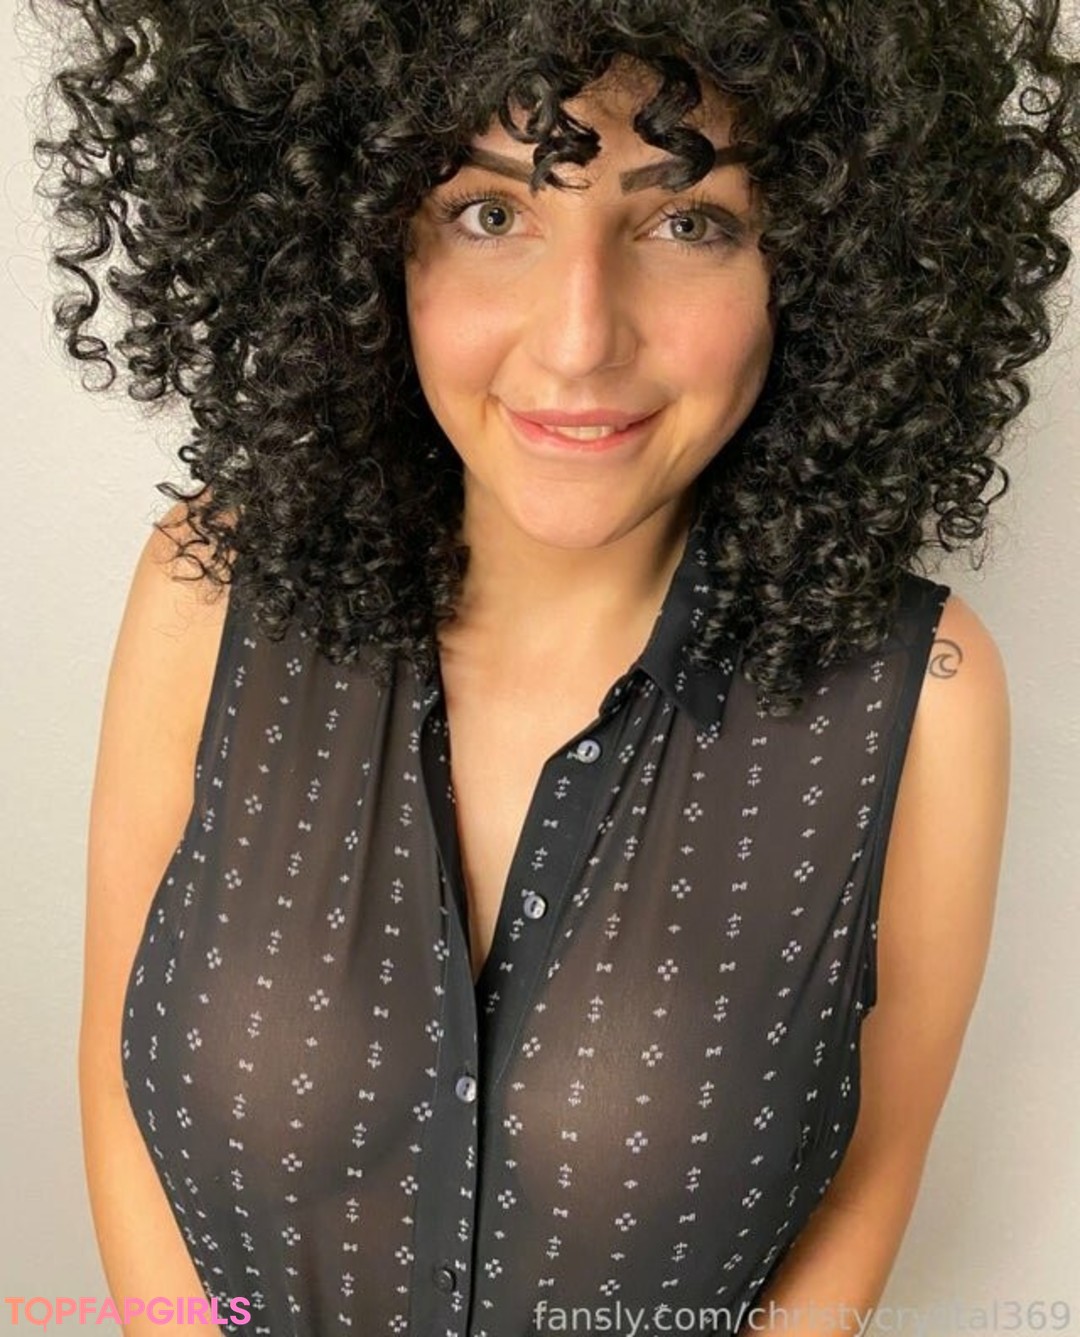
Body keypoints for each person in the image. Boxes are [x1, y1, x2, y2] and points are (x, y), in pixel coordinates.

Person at [32, 1, 1078, 1334]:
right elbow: (118, 1082)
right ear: (364, 239)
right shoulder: (212, 585)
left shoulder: (920, 696)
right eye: (492, 213)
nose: (582, 338)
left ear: (820, 261)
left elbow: (862, 1192)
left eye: (687, 221)